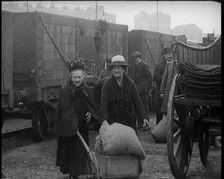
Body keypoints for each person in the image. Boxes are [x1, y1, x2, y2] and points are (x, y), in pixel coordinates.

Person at [54, 61, 97, 179]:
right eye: (74, 77)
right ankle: (73, 174)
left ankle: (79, 172)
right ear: (71, 77)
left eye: (79, 77)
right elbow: (65, 109)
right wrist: (72, 123)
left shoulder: (85, 89)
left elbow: (91, 105)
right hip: (70, 129)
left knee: (80, 152)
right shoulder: (66, 91)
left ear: (83, 77)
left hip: (82, 127)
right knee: (71, 152)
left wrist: (90, 114)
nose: (77, 80)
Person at [100, 55, 149, 130]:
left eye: (119, 68)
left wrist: (144, 117)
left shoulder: (130, 84)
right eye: (114, 68)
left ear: (124, 70)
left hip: (128, 123)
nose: (116, 70)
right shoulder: (107, 85)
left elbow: (137, 102)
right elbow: (104, 105)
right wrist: (104, 120)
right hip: (113, 123)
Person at [131, 51, 153, 121]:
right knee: (138, 107)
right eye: (133, 59)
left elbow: (150, 77)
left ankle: (146, 123)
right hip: (137, 90)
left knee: (144, 107)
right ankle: (140, 123)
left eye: (135, 58)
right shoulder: (135, 66)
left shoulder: (144, 65)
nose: (134, 60)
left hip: (143, 91)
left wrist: (149, 88)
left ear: (138, 58)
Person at [160, 47, 178, 115]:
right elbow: (164, 79)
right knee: (168, 111)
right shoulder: (169, 64)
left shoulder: (180, 64)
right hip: (169, 90)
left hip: (177, 91)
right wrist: (162, 91)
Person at [153, 47, 169, 124]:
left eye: (170, 54)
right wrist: (165, 78)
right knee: (159, 113)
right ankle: (157, 130)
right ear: (164, 55)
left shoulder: (172, 65)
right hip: (160, 93)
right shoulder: (159, 65)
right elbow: (155, 77)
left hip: (168, 93)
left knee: (168, 113)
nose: (169, 56)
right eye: (167, 54)